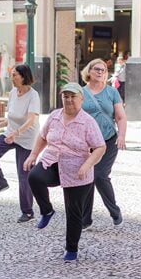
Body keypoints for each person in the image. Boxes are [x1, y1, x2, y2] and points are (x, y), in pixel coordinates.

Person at [23, 83, 106, 261]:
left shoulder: (87, 122)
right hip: (52, 162)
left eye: (72, 96)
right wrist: (33, 155)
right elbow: (43, 137)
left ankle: (71, 249)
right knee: (34, 177)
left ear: (81, 99)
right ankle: (47, 211)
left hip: (77, 170)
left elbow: (100, 147)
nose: (68, 100)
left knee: (73, 211)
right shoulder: (54, 116)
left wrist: (87, 165)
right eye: (65, 96)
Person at [0, 64, 41, 223]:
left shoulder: (33, 96)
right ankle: (0, 182)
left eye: (14, 75)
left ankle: (27, 212)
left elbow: (31, 120)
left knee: (24, 176)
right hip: (11, 134)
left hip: (27, 138)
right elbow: (11, 117)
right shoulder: (13, 93)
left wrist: (16, 133)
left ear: (23, 77)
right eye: (11, 74)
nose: (12, 78)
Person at [80, 58, 126, 229]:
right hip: (86, 143)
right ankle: (85, 219)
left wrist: (122, 136)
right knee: (86, 177)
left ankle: (114, 211)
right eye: (97, 69)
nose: (100, 72)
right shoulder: (80, 92)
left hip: (108, 140)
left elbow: (120, 117)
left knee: (99, 175)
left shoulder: (112, 92)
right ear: (89, 71)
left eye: (103, 70)